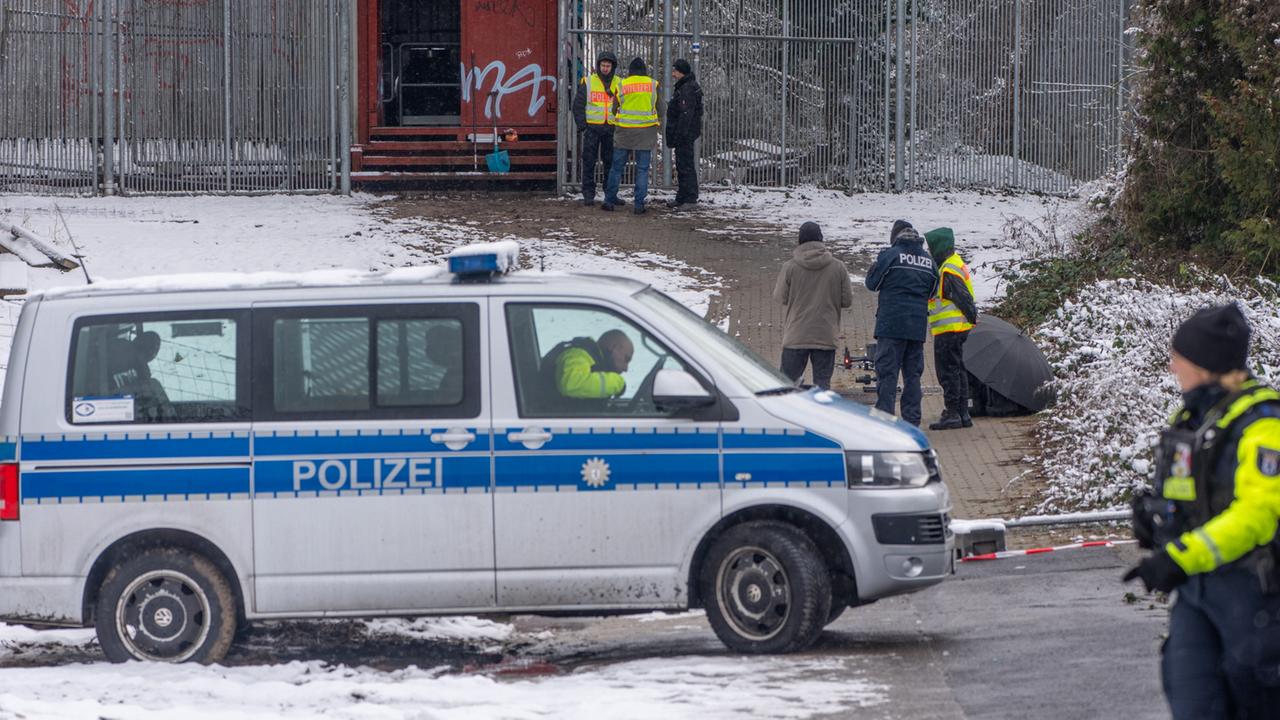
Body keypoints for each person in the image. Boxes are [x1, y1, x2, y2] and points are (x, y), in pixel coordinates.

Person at [1125, 303, 1280, 719]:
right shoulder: (1195, 417)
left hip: (1254, 596)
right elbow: (1190, 494)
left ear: (1205, 364)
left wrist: (1181, 556)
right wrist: (1157, 521)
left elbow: (1257, 516)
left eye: (1180, 357)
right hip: (1197, 594)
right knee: (1192, 699)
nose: (1172, 366)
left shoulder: (1264, 424)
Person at [864, 220, 937, 426]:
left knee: (887, 374)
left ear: (895, 237)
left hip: (891, 325)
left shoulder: (890, 256)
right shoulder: (928, 261)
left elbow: (872, 284)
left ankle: (885, 420)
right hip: (916, 327)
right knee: (913, 375)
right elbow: (932, 291)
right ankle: (912, 420)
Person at [772, 221, 853, 390]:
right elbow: (847, 301)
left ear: (800, 240)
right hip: (825, 335)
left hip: (796, 335)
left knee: (787, 387)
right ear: (821, 239)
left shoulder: (790, 267)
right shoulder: (838, 267)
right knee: (822, 387)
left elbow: (781, 297)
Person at [924, 227, 977, 430]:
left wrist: (972, 315)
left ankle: (953, 413)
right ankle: (963, 413)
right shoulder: (954, 263)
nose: (930, 253)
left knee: (947, 371)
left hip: (949, 329)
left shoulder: (947, 270)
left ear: (939, 248)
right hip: (957, 327)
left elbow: (962, 297)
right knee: (958, 369)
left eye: (931, 248)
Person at [603, 57, 660, 215]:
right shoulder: (653, 84)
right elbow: (661, 108)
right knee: (642, 169)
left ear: (630, 71)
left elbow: (614, 109)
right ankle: (639, 205)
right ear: (644, 70)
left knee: (616, 168)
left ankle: (609, 201)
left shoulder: (622, 85)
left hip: (624, 132)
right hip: (645, 133)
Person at [572, 50, 620, 207]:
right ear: (598, 66)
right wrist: (583, 126)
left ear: (613, 67)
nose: (605, 68)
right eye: (603, 65)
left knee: (610, 163)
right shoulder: (588, 82)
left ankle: (610, 195)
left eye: (608, 66)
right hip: (592, 128)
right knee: (589, 162)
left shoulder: (619, 83)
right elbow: (578, 105)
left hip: (611, 128)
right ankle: (588, 194)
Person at [544, 329, 633, 400]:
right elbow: (571, 384)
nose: (626, 368)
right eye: (626, 358)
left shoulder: (595, 360)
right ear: (614, 348)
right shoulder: (578, 354)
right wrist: (617, 383)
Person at [664, 58, 702, 210]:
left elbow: (686, 114)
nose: (673, 74)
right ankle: (682, 196)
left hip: (684, 134)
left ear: (682, 72)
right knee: (682, 165)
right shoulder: (686, 86)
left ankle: (690, 198)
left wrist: (679, 134)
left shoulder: (686, 89)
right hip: (685, 133)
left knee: (685, 165)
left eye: (675, 71)